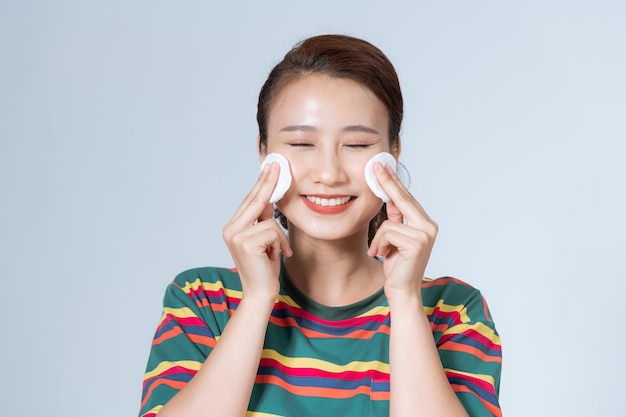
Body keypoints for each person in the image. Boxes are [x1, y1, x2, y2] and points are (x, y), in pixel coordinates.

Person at [138, 34, 502, 417]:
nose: (328, 174)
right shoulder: (203, 300)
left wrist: (407, 302)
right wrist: (257, 301)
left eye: (357, 145)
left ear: (393, 152)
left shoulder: (452, 312)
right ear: (264, 151)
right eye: (301, 144)